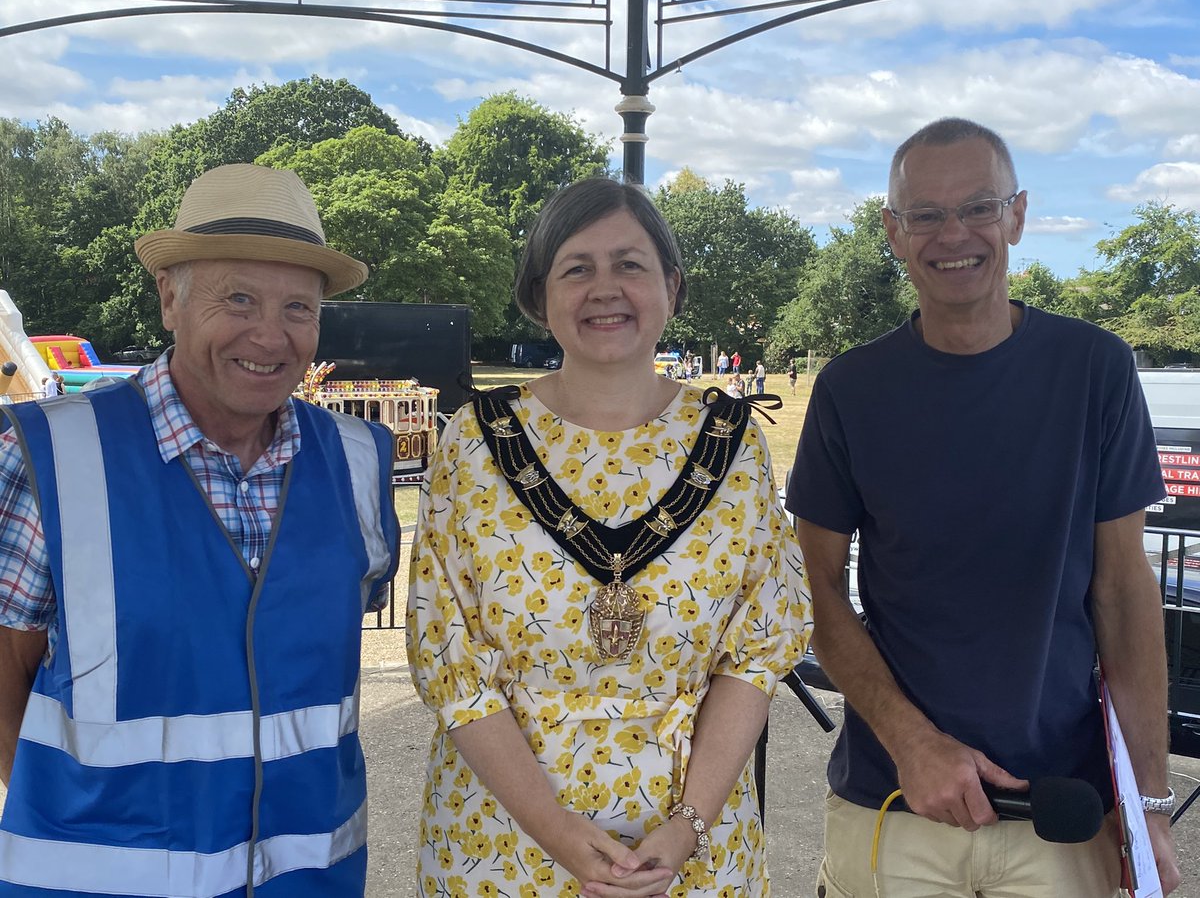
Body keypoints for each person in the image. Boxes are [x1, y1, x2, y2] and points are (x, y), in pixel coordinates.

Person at [787, 117, 1181, 896]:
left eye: (978, 206)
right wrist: (913, 743)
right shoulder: (850, 390)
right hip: (894, 802)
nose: (953, 234)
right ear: (893, 232)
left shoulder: (1094, 369)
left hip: (1063, 812)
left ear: (1019, 215)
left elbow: (1123, 590)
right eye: (925, 214)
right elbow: (815, 589)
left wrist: (1150, 804)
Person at [0, 164, 400, 896]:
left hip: (309, 881)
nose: (270, 335)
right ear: (168, 300)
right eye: (239, 298)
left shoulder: (358, 459)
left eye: (299, 309)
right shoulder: (51, 454)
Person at [407, 177, 811, 896]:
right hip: (501, 847)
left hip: (691, 853)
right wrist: (557, 833)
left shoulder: (732, 443)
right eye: (577, 267)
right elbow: (450, 660)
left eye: (630, 264)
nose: (605, 288)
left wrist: (686, 827)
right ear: (540, 294)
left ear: (672, 285)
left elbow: (756, 654)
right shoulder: (473, 442)